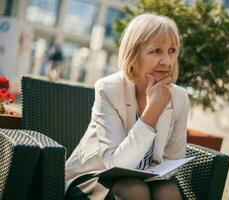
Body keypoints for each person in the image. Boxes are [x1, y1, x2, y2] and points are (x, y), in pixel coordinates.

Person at [65, 13, 190, 200]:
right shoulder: (108, 90)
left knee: (168, 192)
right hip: (94, 177)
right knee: (135, 191)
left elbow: (174, 158)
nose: (167, 61)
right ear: (134, 55)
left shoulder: (179, 97)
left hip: (146, 179)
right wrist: (153, 111)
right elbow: (115, 163)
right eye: (156, 50)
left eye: (172, 51)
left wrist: (155, 175)